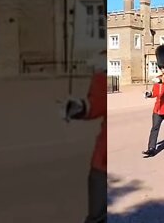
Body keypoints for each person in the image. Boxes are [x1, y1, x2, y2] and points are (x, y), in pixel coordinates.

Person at [63, 50, 107, 223]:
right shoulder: (103, 66)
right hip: (102, 162)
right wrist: (78, 107)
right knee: (96, 217)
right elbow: (96, 104)